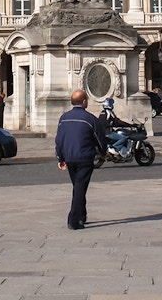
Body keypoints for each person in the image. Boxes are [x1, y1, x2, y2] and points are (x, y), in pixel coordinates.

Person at [55, 89, 107, 230]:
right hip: (84, 157)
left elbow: (59, 140)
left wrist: (60, 157)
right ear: (84, 101)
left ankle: (81, 217)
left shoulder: (63, 118)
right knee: (80, 187)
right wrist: (103, 152)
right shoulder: (90, 119)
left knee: (78, 187)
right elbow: (100, 139)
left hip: (69, 157)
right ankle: (73, 219)